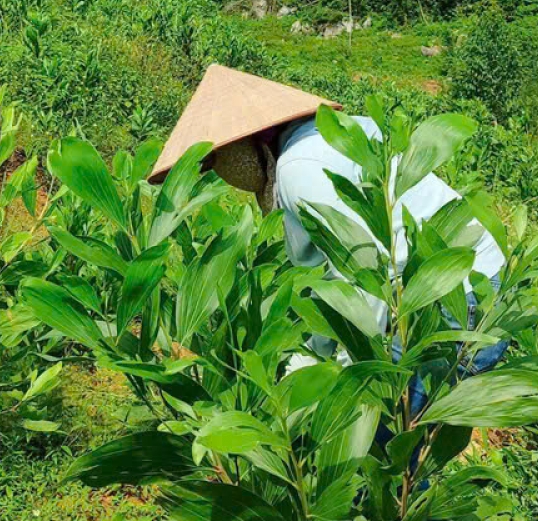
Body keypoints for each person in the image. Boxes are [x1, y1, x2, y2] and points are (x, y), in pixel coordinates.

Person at [147, 64, 506, 376]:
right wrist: (315, 356)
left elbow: (365, 271)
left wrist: (346, 369)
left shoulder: (300, 166)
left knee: (378, 423)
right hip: (475, 284)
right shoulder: (328, 136)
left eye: (216, 160)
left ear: (245, 143)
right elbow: (333, 278)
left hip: (453, 298)